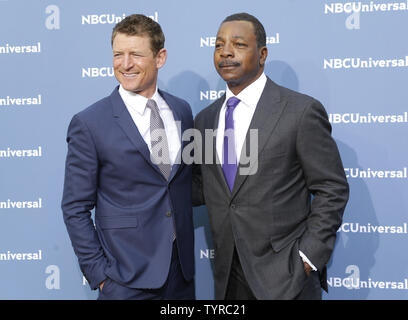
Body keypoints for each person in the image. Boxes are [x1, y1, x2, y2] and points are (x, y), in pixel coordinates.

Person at [192, 12, 349, 300]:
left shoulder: (300, 111)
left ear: (262, 54)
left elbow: (332, 188)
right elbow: (204, 187)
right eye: (218, 45)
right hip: (228, 278)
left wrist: (308, 258)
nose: (225, 51)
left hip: (288, 277)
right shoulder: (205, 119)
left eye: (238, 44)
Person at [61, 14, 195, 300]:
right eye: (118, 54)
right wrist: (100, 276)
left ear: (160, 58)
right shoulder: (89, 123)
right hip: (125, 281)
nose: (125, 64)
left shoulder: (181, 111)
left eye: (135, 54)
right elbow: (75, 207)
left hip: (180, 277)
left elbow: (179, 184)